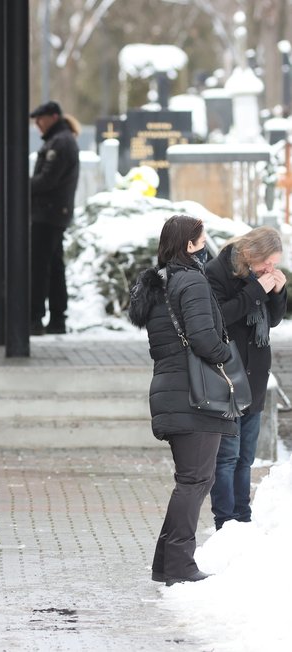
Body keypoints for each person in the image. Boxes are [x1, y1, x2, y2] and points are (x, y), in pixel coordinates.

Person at [128, 214, 238, 586]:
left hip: (173, 390)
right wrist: (227, 355)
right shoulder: (191, 280)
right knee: (194, 480)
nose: (206, 244)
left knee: (192, 480)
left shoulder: (162, 284)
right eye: (202, 238)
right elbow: (204, 339)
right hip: (194, 394)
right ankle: (179, 565)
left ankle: (167, 562)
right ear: (190, 245)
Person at [205, 227, 287, 530]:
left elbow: (273, 320)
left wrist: (277, 293)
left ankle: (243, 517)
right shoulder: (217, 271)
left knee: (246, 458)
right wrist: (256, 291)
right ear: (251, 253)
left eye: (275, 264)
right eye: (268, 263)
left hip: (255, 377)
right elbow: (218, 319)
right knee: (227, 457)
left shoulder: (260, 278)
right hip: (228, 375)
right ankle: (225, 522)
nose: (271, 269)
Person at [29, 101, 80, 335]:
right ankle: (57, 318)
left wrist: (22, 185)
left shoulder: (60, 142)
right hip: (52, 212)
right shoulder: (60, 139)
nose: (38, 124)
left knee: (41, 266)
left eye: (40, 118)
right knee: (53, 264)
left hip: (48, 212)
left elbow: (47, 180)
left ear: (53, 117)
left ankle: (36, 319)